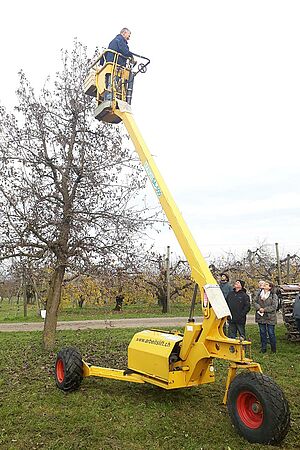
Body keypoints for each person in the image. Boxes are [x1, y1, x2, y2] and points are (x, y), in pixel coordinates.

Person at [103, 28, 134, 103]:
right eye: (128, 36)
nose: (129, 38)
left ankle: (108, 98)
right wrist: (131, 56)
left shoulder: (114, 41)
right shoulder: (120, 40)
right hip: (115, 65)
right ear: (124, 33)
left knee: (110, 83)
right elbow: (124, 51)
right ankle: (110, 99)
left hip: (110, 66)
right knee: (114, 83)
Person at [254, 281, 278, 353]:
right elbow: (254, 302)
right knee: (262, 332)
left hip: (270, 317)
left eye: (266, 284)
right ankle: (263, 348)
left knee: (271, 333)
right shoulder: (258, 294)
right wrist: (259, 308)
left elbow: (274, 306)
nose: (264, 285)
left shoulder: (273, 295)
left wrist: (264, 309)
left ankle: (273, 349)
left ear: (270, 287)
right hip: (261, 316)